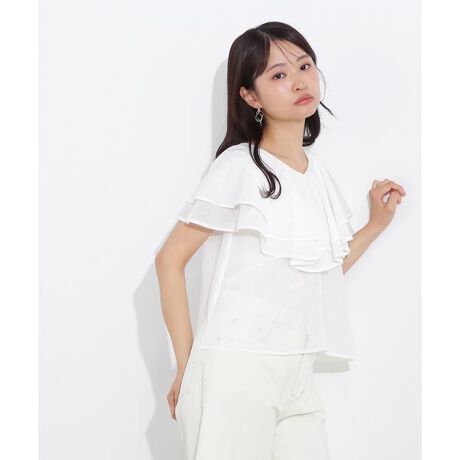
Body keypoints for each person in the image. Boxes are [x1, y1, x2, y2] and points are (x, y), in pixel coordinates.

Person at [155, 21, 406, 460]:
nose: (300, 82)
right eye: (278, 74)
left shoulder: (317, 175)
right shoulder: (239, 165)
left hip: (298, 375)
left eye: (305, 66)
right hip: (236, 369)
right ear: (250, 97)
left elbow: (319, 271)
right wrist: (187, 364)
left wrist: (374, 226)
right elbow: (169, 260)